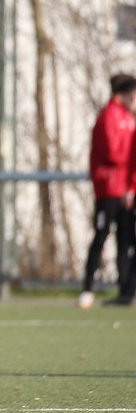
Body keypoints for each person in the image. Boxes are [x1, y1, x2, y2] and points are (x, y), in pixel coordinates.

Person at [80, 73, 136, 309]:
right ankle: (87, 289)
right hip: (109, 189)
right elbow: (113, 153)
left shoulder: (128, 117)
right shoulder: (108, 116)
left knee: (125, 241)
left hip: (126, 190)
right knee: (101, 237)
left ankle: (124, 291)